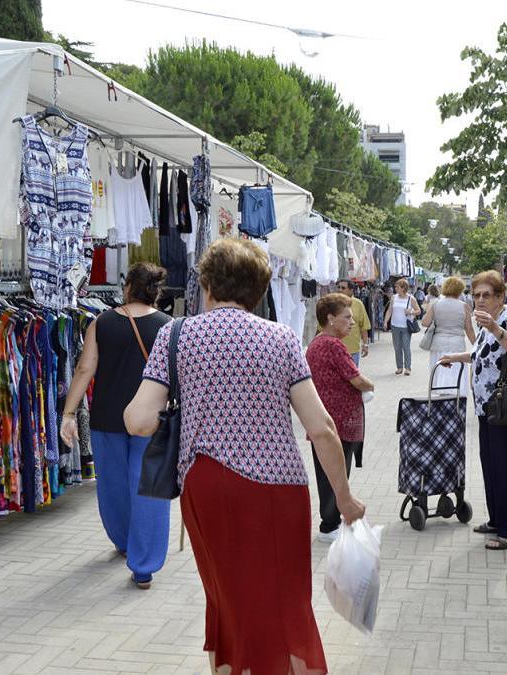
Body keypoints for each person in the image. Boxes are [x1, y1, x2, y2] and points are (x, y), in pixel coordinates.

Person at [125, 239, 365, 674]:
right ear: (259, 290)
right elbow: (322, 428)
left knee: (226, 599)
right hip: (280, 490)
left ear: (208, 284)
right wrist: (344, 500)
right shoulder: (281, 338)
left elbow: (139, 421)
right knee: (286, 600)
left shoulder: (175, 336)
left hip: (209, 486)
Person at [59, 262, 172, 590]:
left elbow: (84, 369)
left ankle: (124, 541)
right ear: (155, 291)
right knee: (148, 488)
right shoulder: (168, 326)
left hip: (107, 417)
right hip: (151, 420)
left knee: (113, 486)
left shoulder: (102, 322)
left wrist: (68, 414)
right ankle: (144, 566)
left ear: (128, 287)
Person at [439, 270, 507, 551]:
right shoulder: (485, 322)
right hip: (488, 407)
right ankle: (496, 519)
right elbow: (485, 355)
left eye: (486, 295)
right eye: (476, 295)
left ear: (501, 296)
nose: (480, 300)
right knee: (492, 466)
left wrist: (495, 328)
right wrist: (457, 357)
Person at [308, 293, 375, 542]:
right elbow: (356, 378)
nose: (351, 322)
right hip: (338, 421)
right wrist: (372, 385)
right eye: (346, 317)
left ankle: (330, 521)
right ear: (330, 319)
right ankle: (330, 523)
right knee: (336, 473)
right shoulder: (333, 345)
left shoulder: (317, 343)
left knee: (328, 472)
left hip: (325, 418)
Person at [421, 276, 474, 395]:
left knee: (440, 377)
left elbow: (425, 323)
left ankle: (442, 402)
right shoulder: (464, 306)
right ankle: (455, 404)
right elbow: (469, 330)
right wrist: (477, 346)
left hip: (438, 345)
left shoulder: (436, 303)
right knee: (455, 377)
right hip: (457, 346)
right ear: (459, 289)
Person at [385, 277, 421, 375]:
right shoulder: (394, 297)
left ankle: (408, 368)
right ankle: (399, 367)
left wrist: (411, 311)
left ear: (403, 288)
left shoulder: (411, 298)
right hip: (394, 325)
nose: (395, 288)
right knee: (397, 347)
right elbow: (389, 310)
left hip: (406, 326)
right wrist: (385, 321)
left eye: (397, 287)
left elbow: (419, 311)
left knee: (406, 347)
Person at [334, 279, 371, 365]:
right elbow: (322, 327)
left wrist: (365, 345)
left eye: (343, 288)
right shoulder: (332, 304)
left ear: (351, 291)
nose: (340, 290)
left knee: (353, 377)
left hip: (352, 350)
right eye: (338, 287)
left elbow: (363, 326)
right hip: (334, 350)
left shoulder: (358, 304)